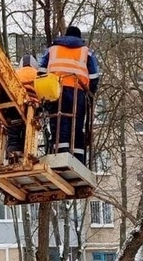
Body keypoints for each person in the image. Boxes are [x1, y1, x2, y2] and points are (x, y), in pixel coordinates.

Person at [39, 25, 99, 164]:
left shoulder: (52, 50)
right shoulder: (86, 52)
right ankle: (78, 158)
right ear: (79, 38)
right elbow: (94, 76)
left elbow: (41, 71)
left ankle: (60, 155)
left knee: (59, 124)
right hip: (78, 93)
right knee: (76, 125)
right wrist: (90, 93)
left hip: (56, 91)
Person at [5, 54, 40, 162]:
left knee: (13, 126)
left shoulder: (15, 74)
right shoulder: (38, 74)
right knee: (29, 127)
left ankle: (13, 149)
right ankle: (27, 149)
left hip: (15, 103)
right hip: (32, 104)